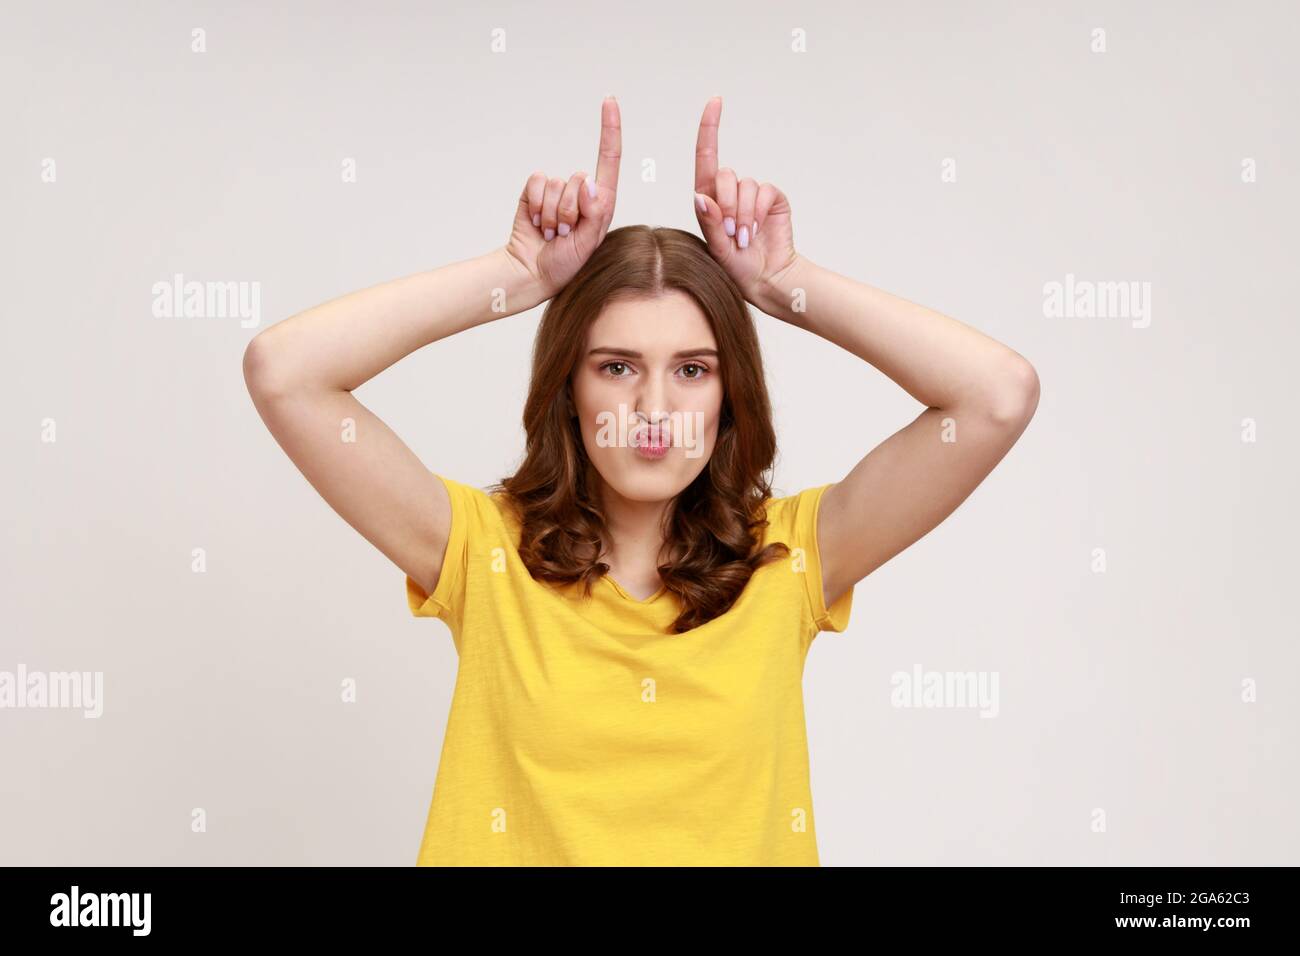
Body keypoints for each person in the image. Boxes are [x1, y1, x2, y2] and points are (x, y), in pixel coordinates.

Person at [242, 95, 1040, 866]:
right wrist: (516, 274)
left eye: (693, 370)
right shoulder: (485, 554)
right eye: (616, 366)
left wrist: (783, 281)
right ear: (569, 389)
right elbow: (286, 372)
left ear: (731, 396)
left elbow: (996, 395)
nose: (653, 409)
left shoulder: (792, 558)